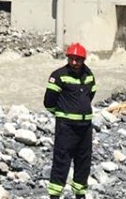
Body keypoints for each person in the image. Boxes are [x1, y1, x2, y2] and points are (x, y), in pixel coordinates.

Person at [43, 41, 95, 198]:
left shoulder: (88, 75)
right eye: (71, 59)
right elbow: (49, 102)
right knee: (61, 161)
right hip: (66, 127)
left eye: (78, 59)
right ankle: (54, 195)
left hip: (85, 126)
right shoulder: (58, 75)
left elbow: (91, 94)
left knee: (83, 162)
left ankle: (80, 194)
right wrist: (62, 114)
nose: (74, 62)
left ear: (83, 60)